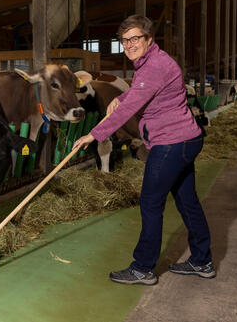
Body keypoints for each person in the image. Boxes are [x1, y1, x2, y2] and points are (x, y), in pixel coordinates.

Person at [73, 15, 215, 285]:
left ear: (149, 39)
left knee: (151, 203)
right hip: (185, 140)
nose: (129, 45)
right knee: (188, 202)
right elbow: (141, 92)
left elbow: (131, 107)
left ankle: (143, 268)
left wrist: (94, 134)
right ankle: (202, 261)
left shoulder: (153, 67)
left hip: (171, 143)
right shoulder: (151, 63)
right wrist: (119, 96)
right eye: (124, 40)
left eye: (135, 38)